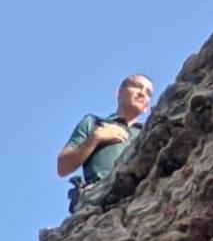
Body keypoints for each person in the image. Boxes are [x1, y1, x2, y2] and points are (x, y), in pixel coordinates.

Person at [56, 74, 153, 204]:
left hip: (139, 198)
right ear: (119, 92)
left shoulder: (149, 132)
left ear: (147, 107)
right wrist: (96, 138)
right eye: (137, 87)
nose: (142, 93)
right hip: (98, 199)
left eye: (148, 93)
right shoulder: (94, 122)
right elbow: (63, 166)